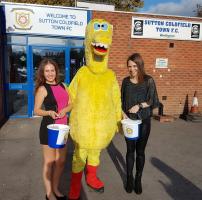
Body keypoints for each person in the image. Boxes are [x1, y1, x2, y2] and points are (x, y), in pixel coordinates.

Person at [121, 53, 159, 194]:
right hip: (129, 122)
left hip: (143, 122)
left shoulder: (148, 80)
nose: (131, 69)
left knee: (140, 152)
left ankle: (138, 179)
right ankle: (129, 178)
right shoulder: (125, 81)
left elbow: (153, 100)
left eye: (134, 66)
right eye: (129, 66)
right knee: (130, 151)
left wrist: (139, 105)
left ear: (140, 65)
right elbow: (121, 100)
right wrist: (123, 114)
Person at [34, 58, 72, 200]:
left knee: (61, 161)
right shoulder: (42, 88)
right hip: (49, 129)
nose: (50, 73)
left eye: (52, 70)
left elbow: (71, 103)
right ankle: (49, 193)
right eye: (47, 71)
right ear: (43, 73)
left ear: (56, 71)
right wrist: (49, 112)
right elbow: (36, 110)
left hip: (63, 128)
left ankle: (56, 188)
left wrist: (65, 110)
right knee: (49, 162)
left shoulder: (63, 85)